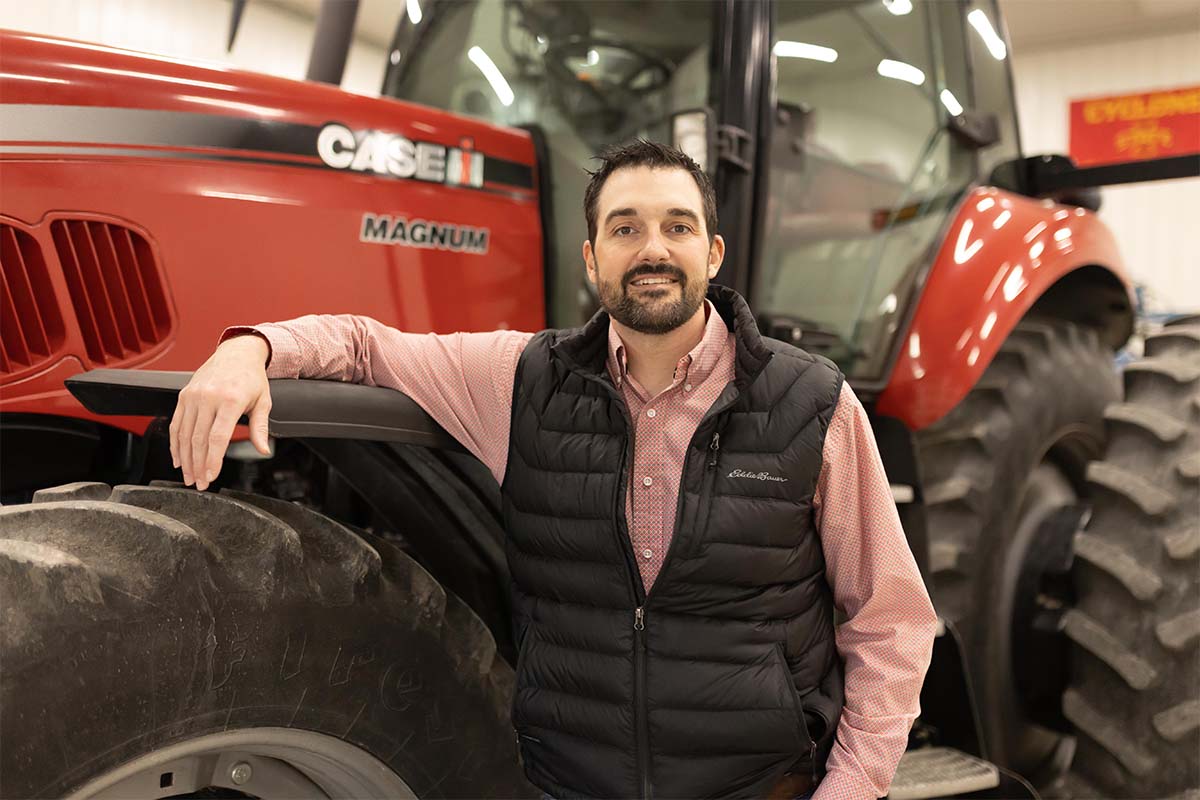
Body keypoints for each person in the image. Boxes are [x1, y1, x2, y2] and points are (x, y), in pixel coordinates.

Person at [172, 140, 937, 800]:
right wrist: (253, 349)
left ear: (712, 252)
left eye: (677, 226)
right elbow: (370, 345)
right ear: (592, 256)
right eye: (625, 228)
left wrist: (851, 789)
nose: (652, 250)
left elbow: (892, 621)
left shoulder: (813, 404)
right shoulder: (520, 382)